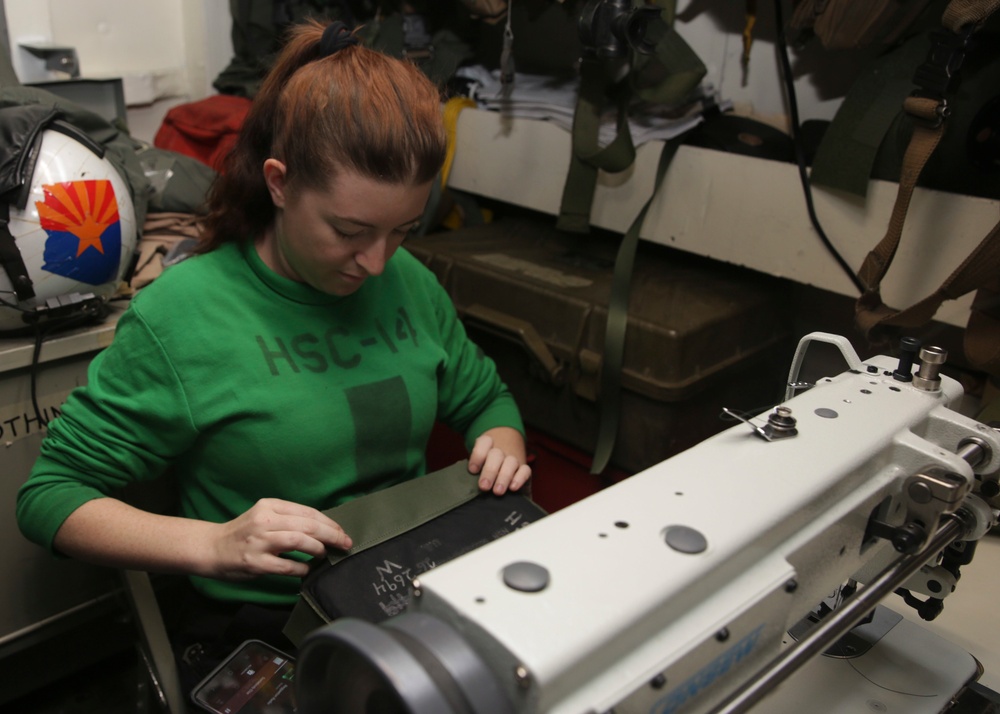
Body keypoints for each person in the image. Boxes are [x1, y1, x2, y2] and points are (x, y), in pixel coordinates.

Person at [16, 19, 531, 685]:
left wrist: (502, 439)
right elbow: (49, 497)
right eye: (349, 231)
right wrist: (215, 544)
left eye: (402, 230)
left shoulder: (411, 284)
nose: (377, 264)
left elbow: (484, 398)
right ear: (280, 184)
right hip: (272, 625)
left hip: (409, 585)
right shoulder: (184, 317)